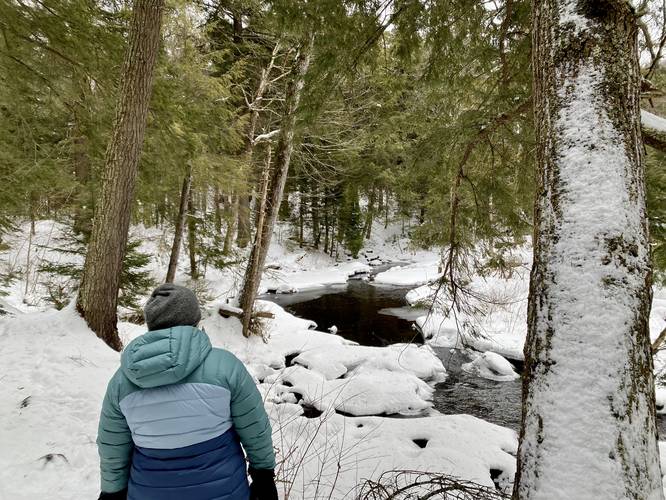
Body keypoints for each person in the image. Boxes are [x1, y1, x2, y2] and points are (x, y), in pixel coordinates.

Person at [96, 284, 278, 500]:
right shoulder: (225, 367)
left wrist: (112, 492)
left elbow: (112, 447)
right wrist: (264, 475)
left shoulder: (122, 382)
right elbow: (255, 428)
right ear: (195, 320)